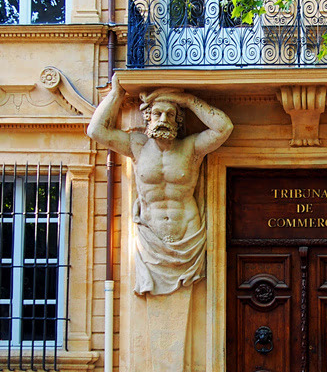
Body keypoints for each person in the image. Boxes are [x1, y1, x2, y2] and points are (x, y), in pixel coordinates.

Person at [87, 74, 233, 295]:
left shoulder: (191, 148)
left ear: (177, 120)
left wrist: (188, 101)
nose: (163, 118)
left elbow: (224, 128)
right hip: (150, 239)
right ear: (148, 117)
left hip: (188, 237)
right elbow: (95, 131)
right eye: (157, 113)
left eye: (170, 114)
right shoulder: (137, 146)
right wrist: (116, 94)